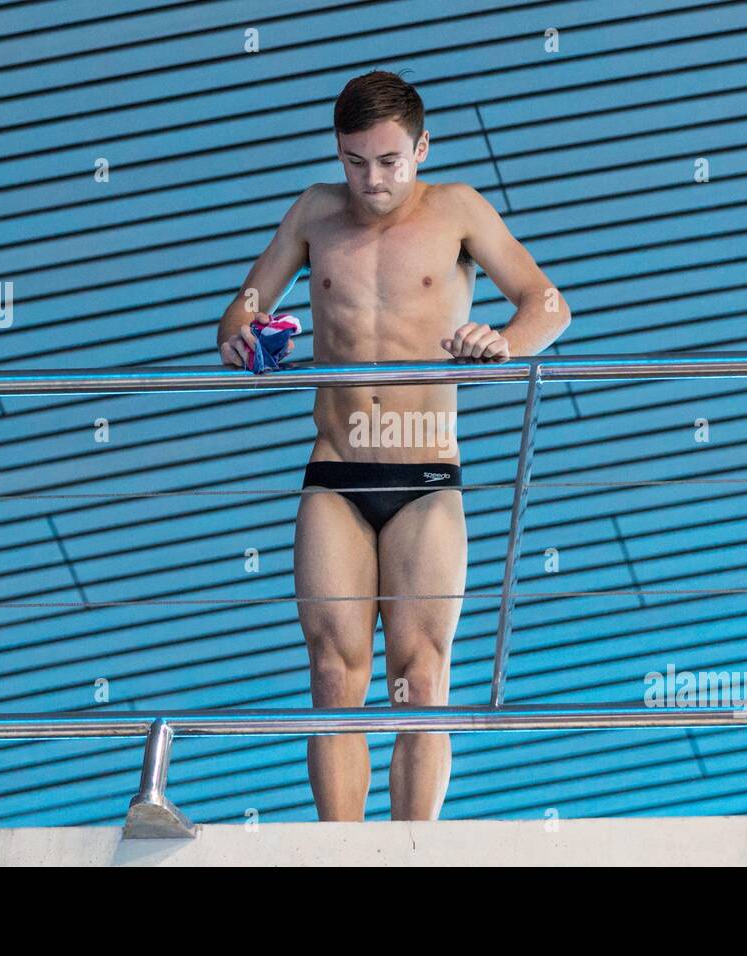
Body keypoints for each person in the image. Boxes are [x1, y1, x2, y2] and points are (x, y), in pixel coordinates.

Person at [217, 70, 570, 821]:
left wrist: (503, 342)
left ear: (421, 148)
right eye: (354, 161)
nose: (371, 180)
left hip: (425, 474)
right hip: (336, 471)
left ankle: (413, 854)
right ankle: (341, 853)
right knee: (333, 674)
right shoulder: (314, 214)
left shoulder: (459, 210)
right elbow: (240, 315)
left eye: (388, 161)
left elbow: (548, 303)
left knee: (420, 677)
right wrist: (246, 336)